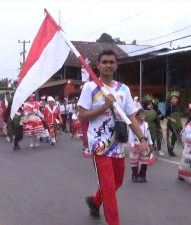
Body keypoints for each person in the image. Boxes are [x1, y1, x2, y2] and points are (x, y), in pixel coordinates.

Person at [78, 49, 149, 225]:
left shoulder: (123, 89)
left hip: (118, 144)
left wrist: (142, 138)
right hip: (99, 145)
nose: (108, 65)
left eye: (111, 62)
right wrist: (105, 106)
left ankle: (95, 201)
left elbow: (131, 117)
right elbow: (82, 116)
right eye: (105, 62)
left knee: (117, 182)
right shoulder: (90, 87)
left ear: (116, 65)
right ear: (98, 65)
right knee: (109, 189)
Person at [128, 106, 154, 183]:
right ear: (136, 115)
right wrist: (132, 145)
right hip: (136, 144)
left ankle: (142, 175)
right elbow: (131, 135)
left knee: (144, 161)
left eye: (143, 114)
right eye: (141, 114)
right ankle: (134, 175)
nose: (143, 116)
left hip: (145, 145)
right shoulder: (133, 125)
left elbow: (148, 134)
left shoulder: (146, 124)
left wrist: (150, 143)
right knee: (134, 161)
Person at [165, 90, 182, 157]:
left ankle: (171, 148)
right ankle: (170, 149)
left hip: (177, 124)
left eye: (175, 98)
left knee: (176, 136)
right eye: (172, 98)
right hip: (171, 124)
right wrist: (171, 119)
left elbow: (179, 117)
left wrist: (180, 124)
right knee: (174, 135)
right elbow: (165, 116)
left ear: (177, 100)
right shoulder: (169, 107)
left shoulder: (178, 107)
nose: (173, 100)